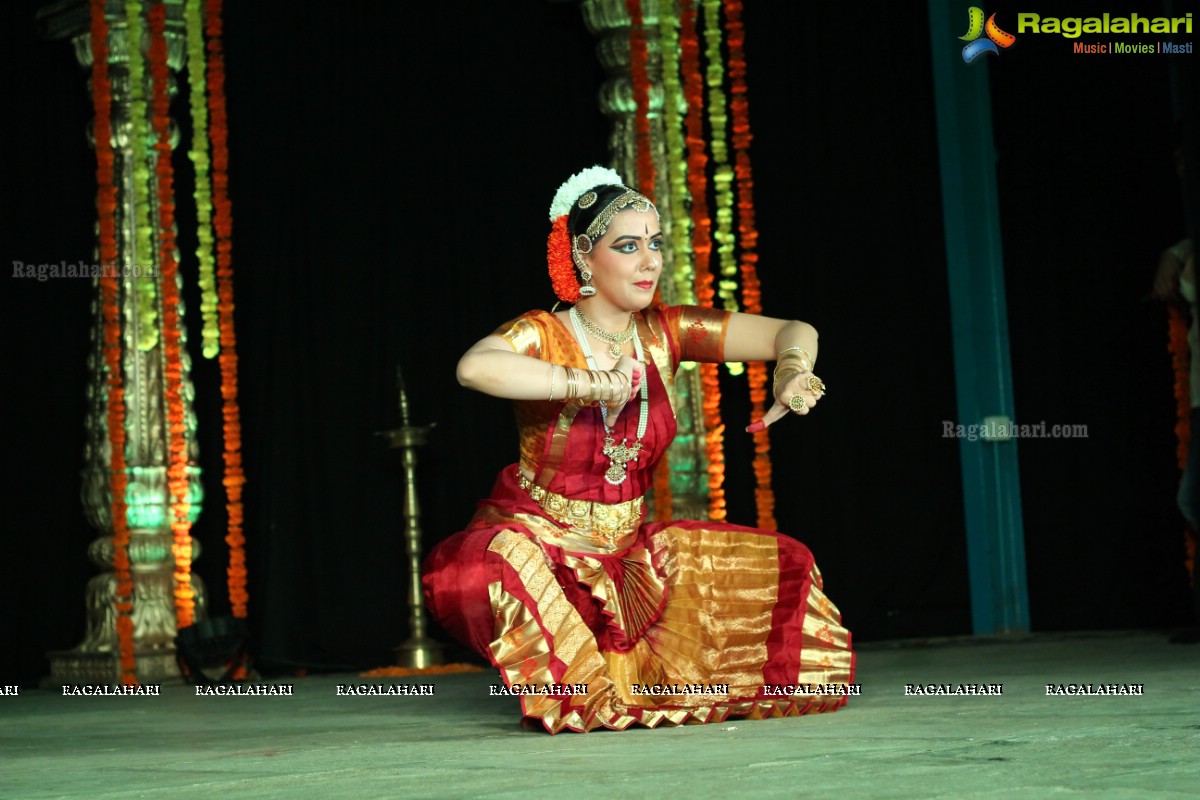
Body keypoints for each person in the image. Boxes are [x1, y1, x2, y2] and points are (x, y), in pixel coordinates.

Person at [422, 166, 855, 732]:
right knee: (478, 569)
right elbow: (475, 368)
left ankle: (616, 672)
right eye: (628, 246)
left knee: (785, 565)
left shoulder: (665, 332)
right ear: (583, 255)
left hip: (632, 561)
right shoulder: (543, 333)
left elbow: (792, 330)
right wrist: (590, 384)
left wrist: (789, 372)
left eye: (655, 244)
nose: (650, 261)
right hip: (547, 553)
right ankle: (580, 687)